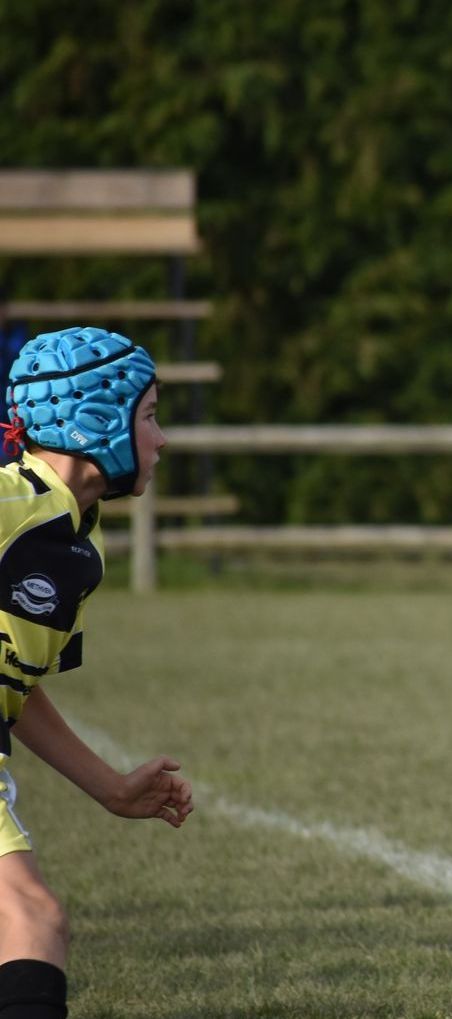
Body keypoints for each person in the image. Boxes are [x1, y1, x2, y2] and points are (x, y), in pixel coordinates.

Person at [0, 326, 192, 1018]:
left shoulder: (82, 543)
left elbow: (13, 688)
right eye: (148, 415)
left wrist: (109, 786)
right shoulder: (10, 503)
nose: (162, 438)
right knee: (32, 919)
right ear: (97, 420)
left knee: (31, 921)